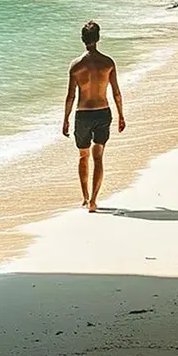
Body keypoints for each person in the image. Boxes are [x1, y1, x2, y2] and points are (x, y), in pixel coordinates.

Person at [62, 20, 125, 212]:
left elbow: (71, 96)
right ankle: (93, 201)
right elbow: (116, 92)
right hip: (103, 112)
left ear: (82, 39)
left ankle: (85, 197)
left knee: (83, 156)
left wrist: (65, 119)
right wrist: (121, 115)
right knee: (98, 157)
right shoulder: (108, 63)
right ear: (98, 38)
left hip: (83, 115)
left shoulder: (76, 66)